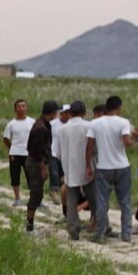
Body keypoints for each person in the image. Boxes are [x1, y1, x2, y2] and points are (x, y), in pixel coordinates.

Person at [85, 95, 135, 243]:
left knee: (102, 202)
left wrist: (88, 165)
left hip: (103, 166)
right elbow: (127, 141)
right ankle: (126, 233)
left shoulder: (95, 123)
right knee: (125, 202)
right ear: (119, 107)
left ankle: (100, 233)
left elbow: (90, 146)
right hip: (122, 166)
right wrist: (135, 140)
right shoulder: (124, 122)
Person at [54, 100, 90, 240]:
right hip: (87, 168)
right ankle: (99, 226)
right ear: (84, 113)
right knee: (93, 197)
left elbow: (57, 153)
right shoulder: (88, 126)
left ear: (70, 113)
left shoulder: (61, 129)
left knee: (71, 200)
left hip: (69, 168)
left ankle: (72, 229)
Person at [23, 100, 58, 233]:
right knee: (36, 195)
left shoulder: (42, 124)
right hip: (36, 163)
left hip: (37, 162)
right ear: (52, 112)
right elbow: (37, 152)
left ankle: (30, 224)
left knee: (37, 195)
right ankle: (29, 227)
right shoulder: (41, 128)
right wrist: (43, 168)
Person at [2, 99, 35, 206]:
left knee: (31, 176)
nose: (21, 108)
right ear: (15, 109)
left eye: (23, 106)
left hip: (28, 153)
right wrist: (11, 148)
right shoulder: (11, 124)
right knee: (15, 175)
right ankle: (17, 198)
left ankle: (33, 198)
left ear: (26, 108)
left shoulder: (32, 122)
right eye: (19, 106)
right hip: (15, 153)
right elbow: (6, 138)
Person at [49, 104, 70, 205]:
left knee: (64, 174)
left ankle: (64, 194)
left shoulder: (71, 124)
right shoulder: (53, 124)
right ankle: (54, 191)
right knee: (54, 172)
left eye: (69, 112)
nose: (67, 114)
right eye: (65, 112)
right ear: (61, 113)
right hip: (53, 152)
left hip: (66, 153)